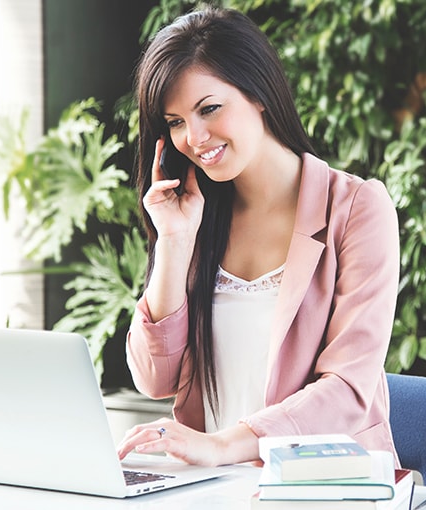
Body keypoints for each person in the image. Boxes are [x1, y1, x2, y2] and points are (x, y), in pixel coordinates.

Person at [114, 6, 400, 467]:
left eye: (209, 108)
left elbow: (348, 389)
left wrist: (223, 445)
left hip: (322, 486)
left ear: (259, 93)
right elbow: (154, 379)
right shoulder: (195, 217)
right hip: (212, 489)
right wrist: (174, 242)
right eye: (176, 121)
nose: (195, 137)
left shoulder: (356, 208)